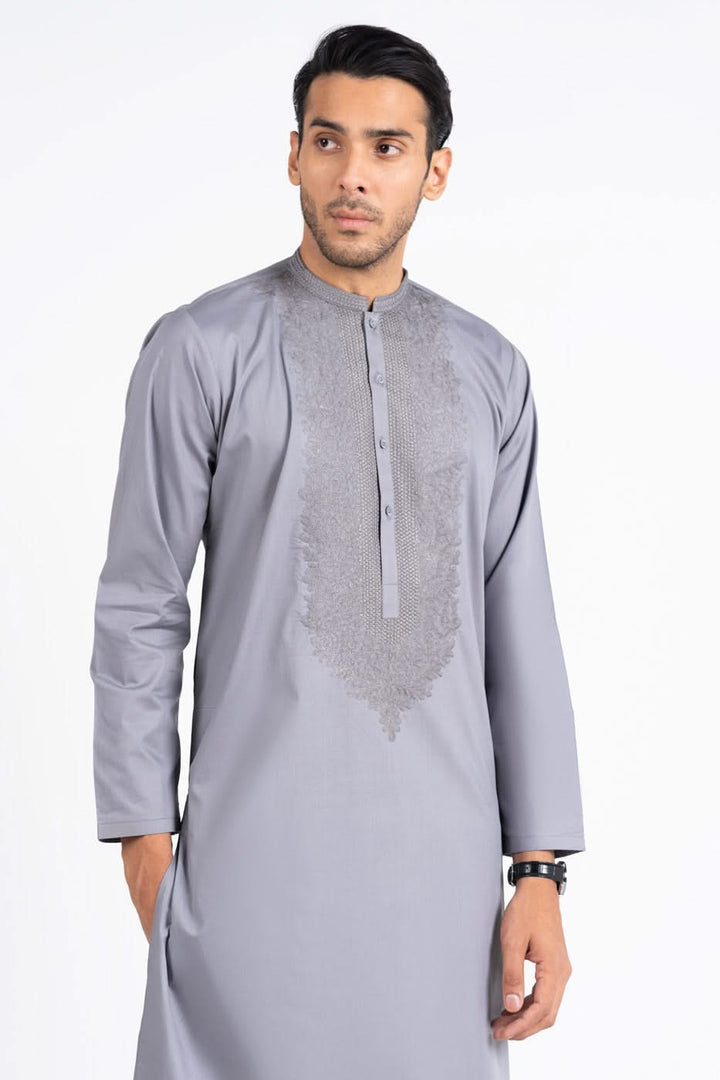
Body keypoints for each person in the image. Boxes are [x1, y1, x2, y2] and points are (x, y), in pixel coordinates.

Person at [90, 23, 586, 1080]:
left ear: (434, 171)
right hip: (248, 878)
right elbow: (141, 602)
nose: (353, 175)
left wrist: (538, 872)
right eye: (328, 141)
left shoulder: (491, 370)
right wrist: (144, 847)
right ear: (294, 156)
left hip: (445, 894)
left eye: (386, 147)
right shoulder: (202, 349)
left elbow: (521, 624)